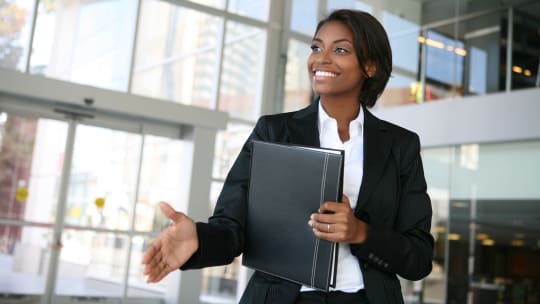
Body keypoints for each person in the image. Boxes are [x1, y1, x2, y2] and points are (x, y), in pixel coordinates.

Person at [142, 9, 434, 304]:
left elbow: (419, 258)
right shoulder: (273, 131)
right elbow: (232, 226)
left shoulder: (401, 146)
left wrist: (361, 233)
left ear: (370, 66)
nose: (321, 58)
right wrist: (199, 240)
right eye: (316, 47)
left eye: (341, 49)